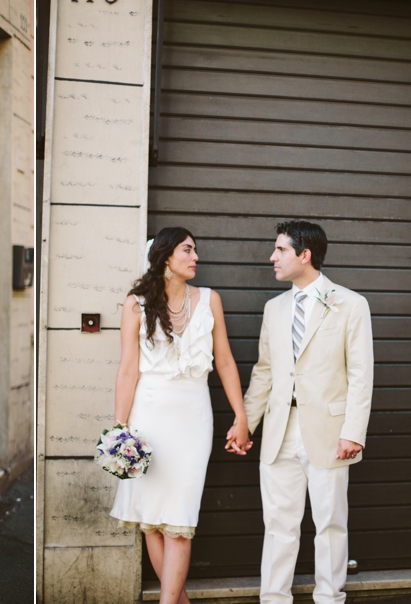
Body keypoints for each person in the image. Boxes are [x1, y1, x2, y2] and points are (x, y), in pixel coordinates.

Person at [232, 220, 373, 604]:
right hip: (279, 431)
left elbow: (361, 374)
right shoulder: (274, 308)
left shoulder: (350, 303)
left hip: (329, 431)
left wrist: (353, 431)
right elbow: (264, 371)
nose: (272, 257)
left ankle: (330, 597)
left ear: (304, 255)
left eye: (280, 250)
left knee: (329, 522)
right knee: (278, 523)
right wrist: (245, 423)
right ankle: (274, 597)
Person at [110, 227, 251, 604]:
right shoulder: (135, 304)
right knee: (152, 523)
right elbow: (127, 369)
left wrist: (241, 416)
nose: (195, 258)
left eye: (195, 251)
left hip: (193, 417)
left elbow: (224, 361)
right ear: (165, 256)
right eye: (187, 250)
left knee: (179, 523)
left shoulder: (209, 300)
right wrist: (120, 429)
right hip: (148, 416)